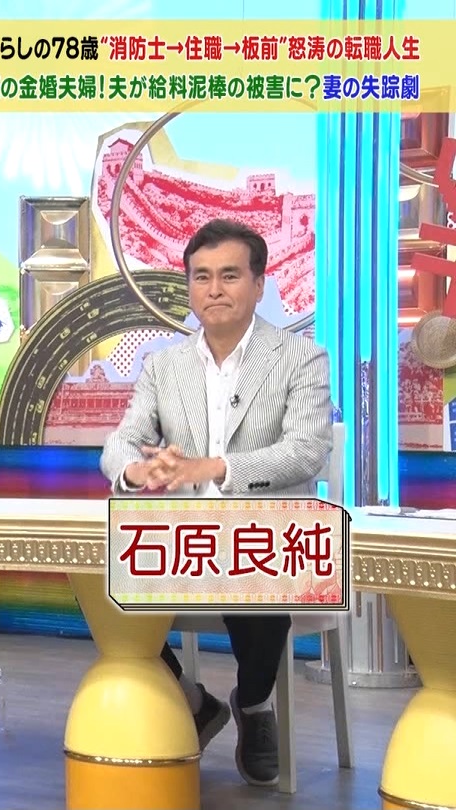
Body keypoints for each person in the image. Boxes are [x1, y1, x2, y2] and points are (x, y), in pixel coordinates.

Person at [100, 218, 334, 787]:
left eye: (229, 275)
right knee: (98, 583)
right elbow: (122, 440)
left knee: (258, 567)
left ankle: (253, 704)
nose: (214, 289)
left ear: (259, 284)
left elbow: (307, 451)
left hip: (263, 538)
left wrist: (217, 468)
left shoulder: (301, 357)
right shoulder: (164, 365)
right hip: (182, 540)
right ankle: (193, 700)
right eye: (201, 277)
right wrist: (135, 470)